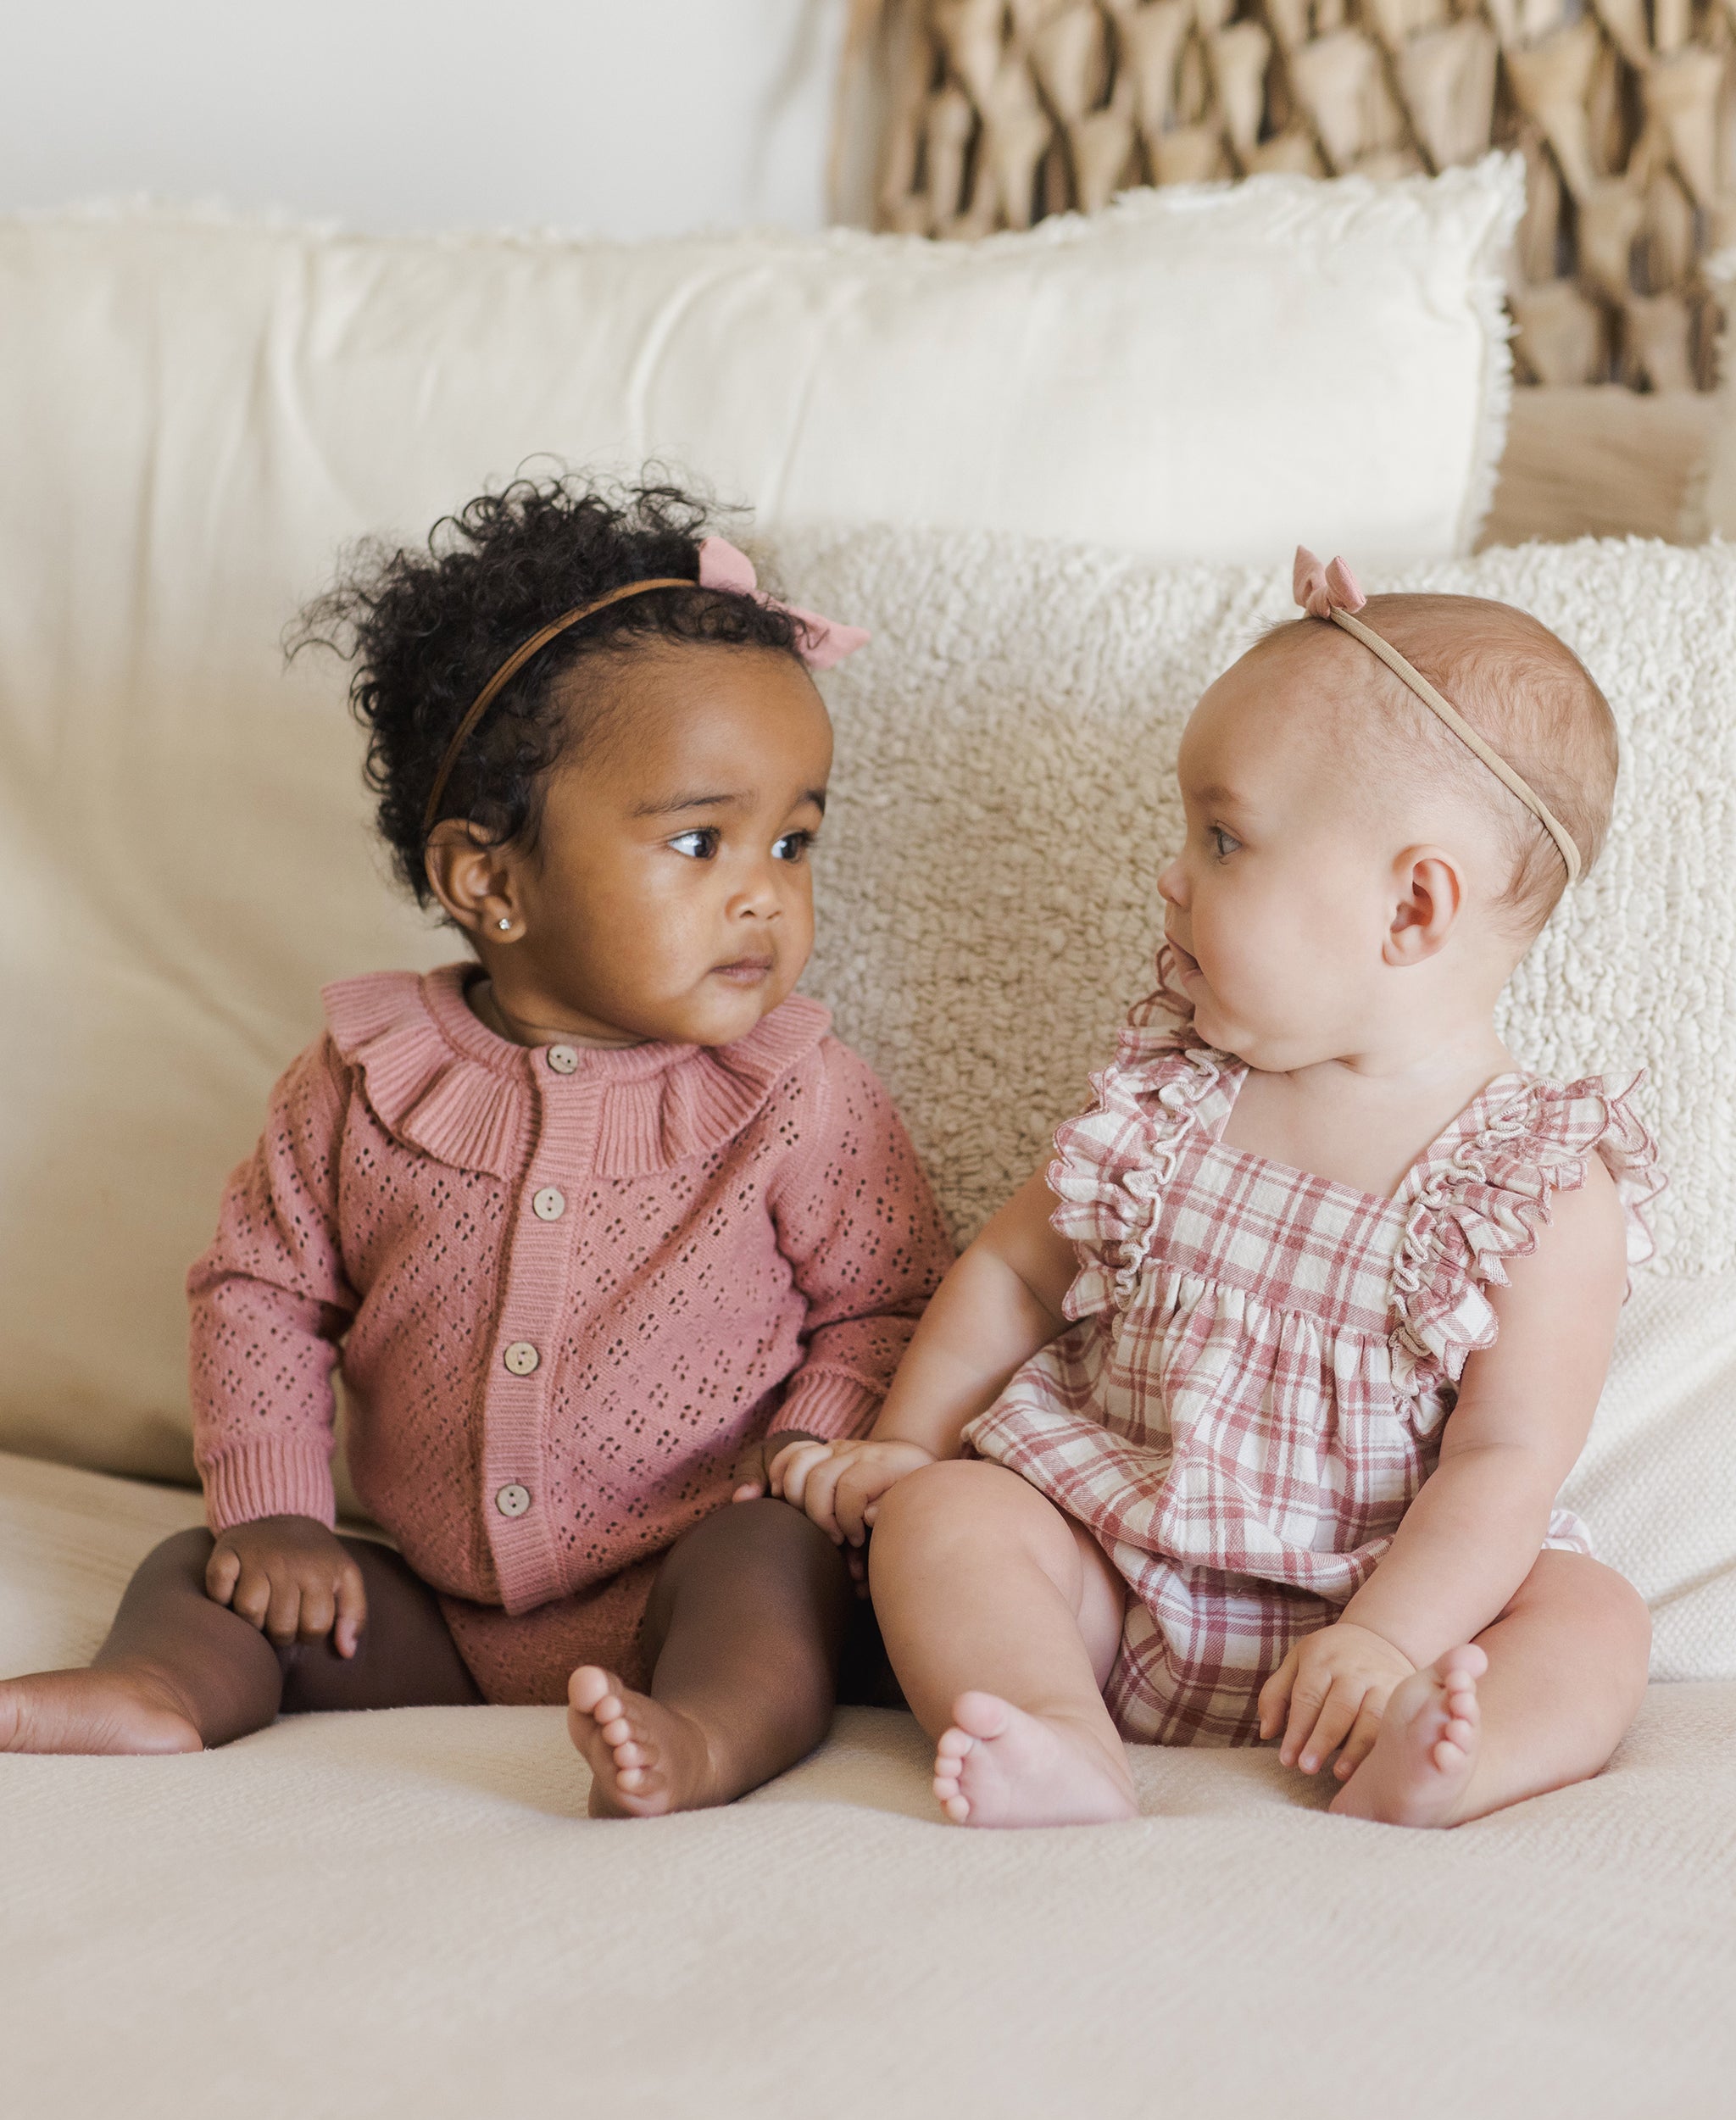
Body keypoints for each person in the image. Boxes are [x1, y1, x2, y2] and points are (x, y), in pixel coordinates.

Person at [0, 475, 953, 1816]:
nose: (766, 892)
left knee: (770, 1575)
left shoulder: (797, 1093)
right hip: (434, 1608)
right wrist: (274, 1511)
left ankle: (704, 1739)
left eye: (794, 840)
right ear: (488, 881)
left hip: (697, 1573)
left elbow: (892, 1300)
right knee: (195, 1570)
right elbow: (259, 1294)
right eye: (701, 839)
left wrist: (807, 1456)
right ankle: (161, 1691)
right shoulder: (359, 1083)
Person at [773, 547, 1659, 1830]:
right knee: (946, 1520)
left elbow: (1508, 1460)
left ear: (1413, 907)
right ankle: (1059, 1734)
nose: (1171, 876)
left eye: (1223, 836)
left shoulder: (1533, 1189)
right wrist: (906, 1448)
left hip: (1382, 1599)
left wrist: (1391, 1638)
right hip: (1113, 1563)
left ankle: (1449, 1756)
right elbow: (1015, 1272)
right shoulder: (1167, 1095)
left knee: (1592, 1620)